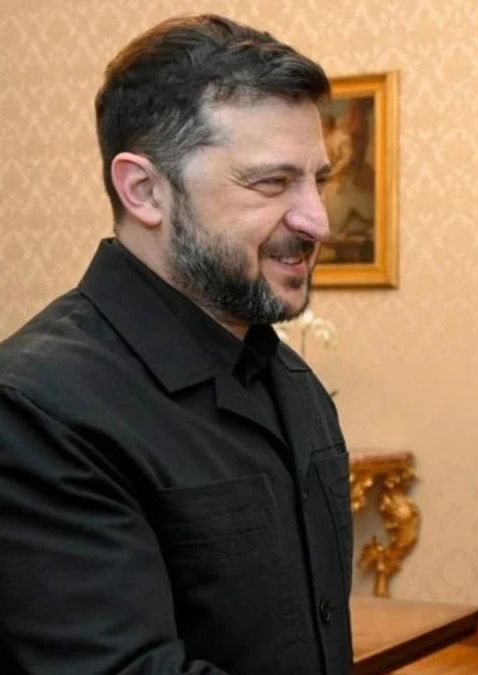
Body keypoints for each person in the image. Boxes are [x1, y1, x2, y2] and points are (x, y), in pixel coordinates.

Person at [0, 15, 352, 675]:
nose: (318, 221)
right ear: (144, 190)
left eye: (319, 180)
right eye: (272, 183)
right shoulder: (35, 410)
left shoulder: (292, 381)